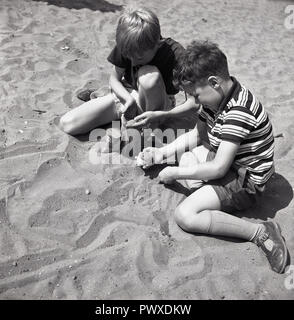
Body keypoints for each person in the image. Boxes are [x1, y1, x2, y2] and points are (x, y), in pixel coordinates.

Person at [137, 40, 288, 274]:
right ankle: (204, 188)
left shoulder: (238, 111)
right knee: (186, 160)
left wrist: (175, 172)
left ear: (214, 83)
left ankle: (260, 233)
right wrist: (161, 154)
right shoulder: (216, 98)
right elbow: (197, 135)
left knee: (185, 215)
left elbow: (218, 168)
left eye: (195, 95)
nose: (194, 102)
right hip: (227, 161)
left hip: (245, 180)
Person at [59, 7, 197, 148]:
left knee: (148, 75)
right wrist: (128, 99)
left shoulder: (176, 54)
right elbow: (114, 78)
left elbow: (195, 102)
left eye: (139, 57)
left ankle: (146, 130)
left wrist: (164, 115)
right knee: (68, 124)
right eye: (128, 56)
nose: (133, 62)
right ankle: (126, 121)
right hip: (128, 95)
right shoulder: (129, 43)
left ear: (158, 44)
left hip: (158, 106)